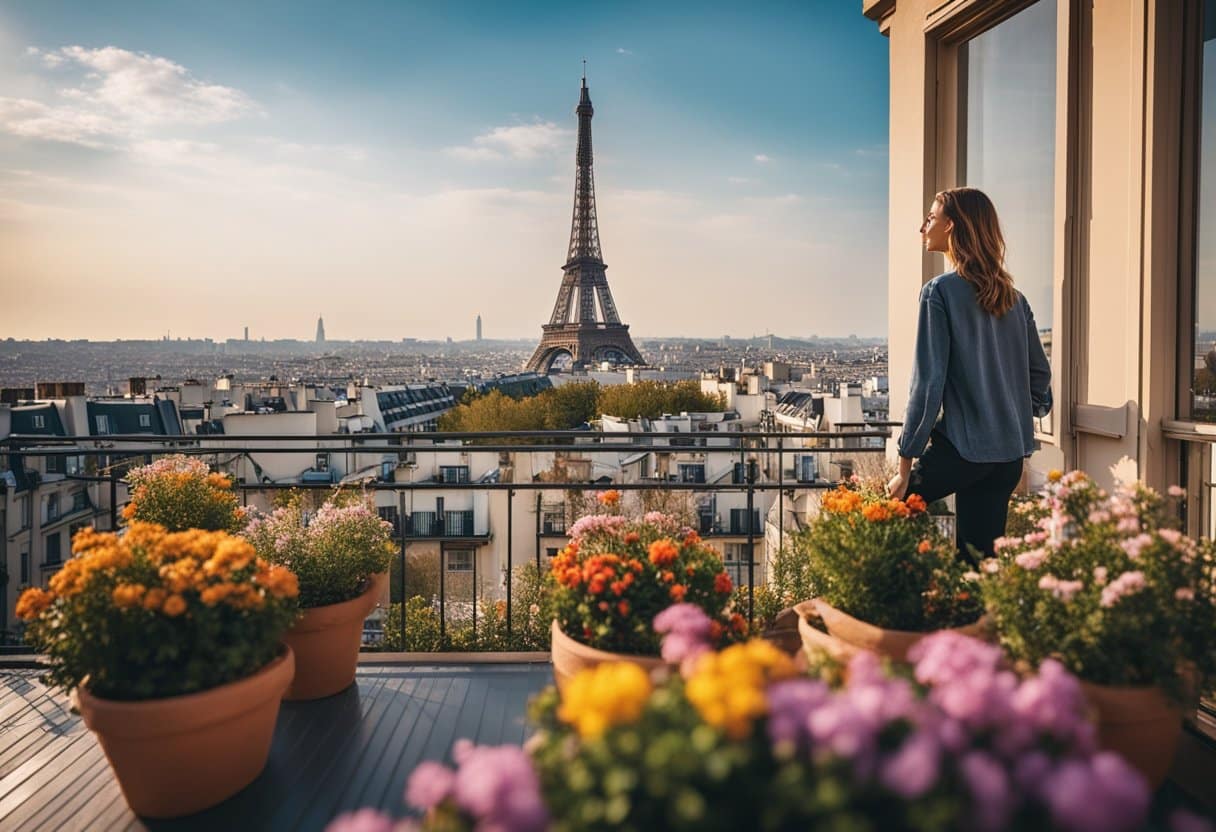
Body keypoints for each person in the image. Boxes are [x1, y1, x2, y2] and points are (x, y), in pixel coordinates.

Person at [886, 187, 1052, 562]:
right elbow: (1040, 377)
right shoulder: (1015, 298)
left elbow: (927, 386)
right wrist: (1014, 411)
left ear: (952, 226)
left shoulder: (939, 292)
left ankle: (902, 596)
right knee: (979, 569)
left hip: (963, 452)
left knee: (876, 523)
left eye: (931, 218)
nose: (923, 227)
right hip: (1008, 457)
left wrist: (904, 465)